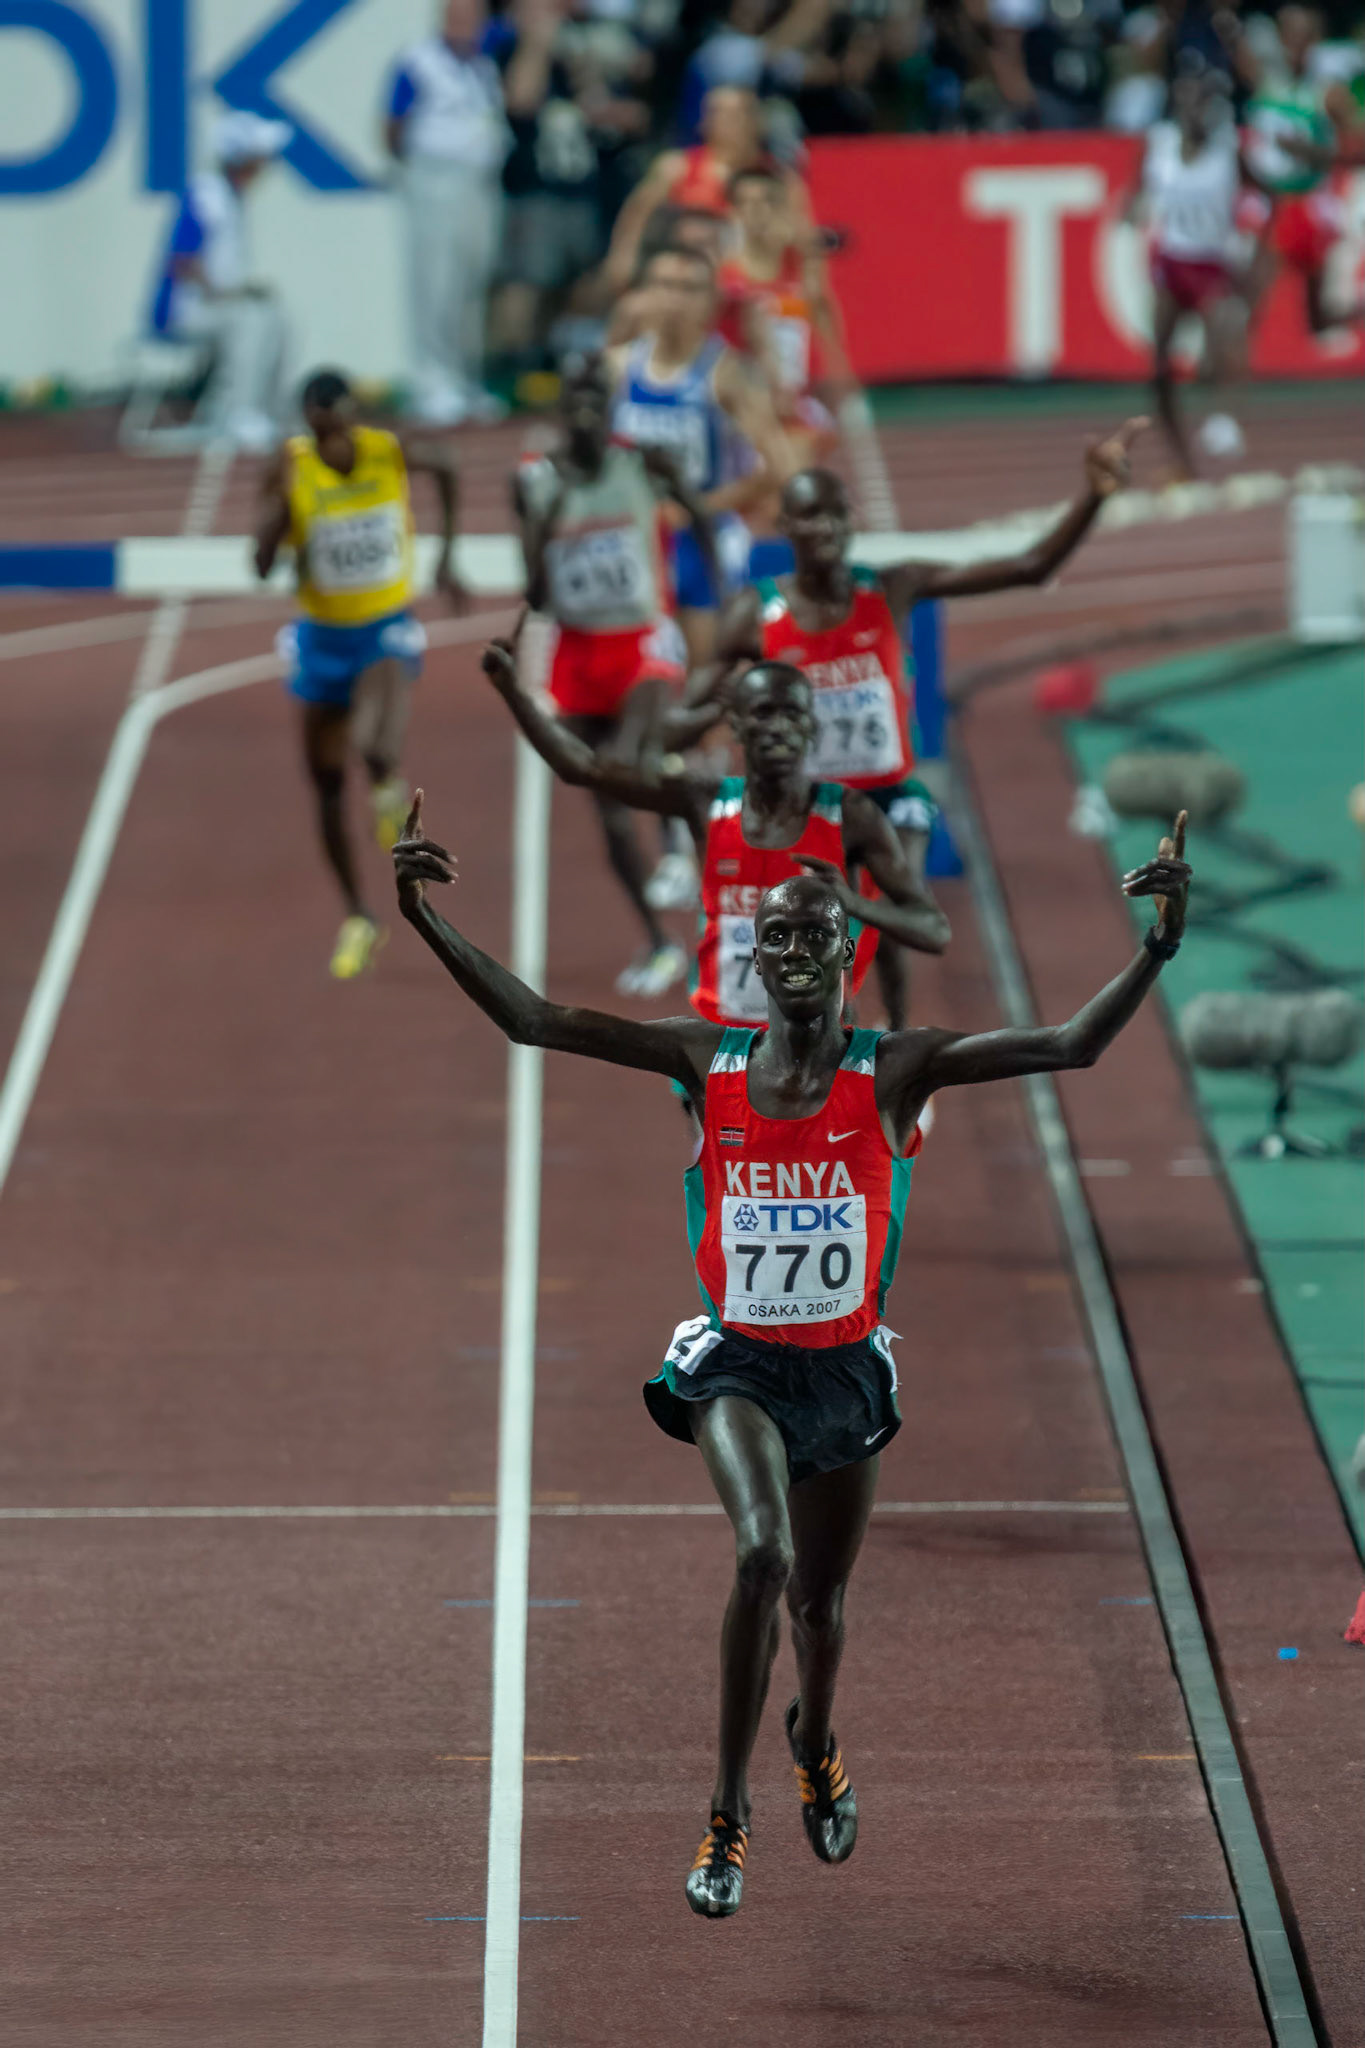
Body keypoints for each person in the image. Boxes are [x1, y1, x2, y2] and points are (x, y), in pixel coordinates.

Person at [392, 790, 1193, 1915]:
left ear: (850, 951)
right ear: (754, 956)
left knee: (818, 1605)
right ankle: (727, 1814)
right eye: (776, 935)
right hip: (738, 1366)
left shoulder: (895, 1067)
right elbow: (535, 1018)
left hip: (846, 1369)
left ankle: (814, 1739)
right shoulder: (701, 1057)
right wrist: (424, 918)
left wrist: (1159, 943)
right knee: (761, 1555)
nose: (797, 950)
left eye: (817, 933)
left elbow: (1071, 1043)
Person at [669, 424, 1145, 1027]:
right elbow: (690, 709)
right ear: (785, 528)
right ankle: (823, 1035)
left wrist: (1095, 495)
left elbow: (1029, 566)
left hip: (889, 797)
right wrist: (709, 714)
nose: (824, 530)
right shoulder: (755, 614)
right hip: (805, 807)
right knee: (804, 932)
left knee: (898, 909)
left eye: (835, 515)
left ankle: (891, 1040)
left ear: (851, 522)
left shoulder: (892, 589)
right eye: (807, 517)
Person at [481, 649, 952, 1026]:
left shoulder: (849, 817)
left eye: (792, 713)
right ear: (738, 727)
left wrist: (854, 904)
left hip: (820, 1049)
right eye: (763, 713)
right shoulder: (704, 802)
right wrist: (512, 691)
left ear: (811, 727)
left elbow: (932, 930)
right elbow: (580, 768)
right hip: (721, 1047)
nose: (778, 726)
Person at [514, 355, 715, 995]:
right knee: (609, 811)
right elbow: (537, 597)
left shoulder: (644, 463)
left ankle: (689, 848)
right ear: (559, 407)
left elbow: (703, 519)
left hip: (643, 642)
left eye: (594, 398)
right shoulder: (536, 483)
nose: (582, 410)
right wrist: (546, 525)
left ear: (610, 406)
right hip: (576, 654)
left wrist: (723, 606)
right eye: (572, 397)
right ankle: (659, 941)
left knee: (632, 762)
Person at [254, 370, 464, 980]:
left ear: (351, 418)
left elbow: (447, 462)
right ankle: (358, 917)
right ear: (308, 429)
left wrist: (447, 552)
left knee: (372, 743)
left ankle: (387, 787)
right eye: (322, 435)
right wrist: (278, 519)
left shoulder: (385, 451)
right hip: (321, 637)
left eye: (340, 429)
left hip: (383, 627)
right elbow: (262, 562)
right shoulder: (290, 467)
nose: (334, 444)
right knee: (323, 784)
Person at [609, 242, 796, 670]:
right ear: (646, 292)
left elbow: (778, 467)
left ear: (710, 300)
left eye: (689, 288)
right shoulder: (618, 367)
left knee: (706, 678)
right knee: (632, 675)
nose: (674, 298)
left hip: (702, 542)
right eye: (664, 284)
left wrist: (697, 508)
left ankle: (712, 738)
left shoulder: (727, 374)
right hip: (636, 539)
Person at [385, 0, 527, 425]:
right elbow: (392, 126)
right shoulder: (417, 61)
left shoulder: (481, 65)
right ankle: (431, 379)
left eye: (473, 17)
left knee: (472, 279)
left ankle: (465, 376)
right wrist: (422, 166)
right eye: (457, 16)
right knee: (436, 280)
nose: (465, 24)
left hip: (479, 183)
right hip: (436, 180)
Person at [150, 111, 292, 453]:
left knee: (276, 315)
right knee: (250, 321)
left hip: (214, 305)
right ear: (242, 157)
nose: (267, 164)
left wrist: (240, 292)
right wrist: (222, 293)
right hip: (183, 311)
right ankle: (237, 415)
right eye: (261, 155)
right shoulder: (206, 195)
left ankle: (265, 409)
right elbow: (182, 259)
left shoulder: (232, 198)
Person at [1130, 72, 1249, 478]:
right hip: (1172, 259)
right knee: (1159, 366)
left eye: (1201, 102)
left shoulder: (1226, 149)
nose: (1194, 110)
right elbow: (1138, 192)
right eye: (1187, 101)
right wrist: (1131, 214)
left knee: (1218, 353)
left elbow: (1258, 186)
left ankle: (1221, 421)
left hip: (1211, 262)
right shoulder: (1160, 146)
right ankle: (1178, 455)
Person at [602, 86, 813, 296]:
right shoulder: (677, 167)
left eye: (735, 113)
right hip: (692, 282)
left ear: (755, 121)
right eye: (716, 112)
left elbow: (803, 236)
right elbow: (638, 213)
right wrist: (623, 256)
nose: (725, 120)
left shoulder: (780, 179)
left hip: (756, 285)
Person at [717, 163, 857, 474]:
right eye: (746, 203)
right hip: (740, 411)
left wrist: (840, 374)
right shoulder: (722, 275)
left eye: (767, 201)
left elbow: (821, 314)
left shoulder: (799, 268)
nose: (757, 212)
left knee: (802, 473)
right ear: (732, 211)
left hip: (794, 403)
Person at [1236, 5, 1365, 336]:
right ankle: (1230, 376)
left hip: (1308, 205)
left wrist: (1314, 153)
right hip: (1269, 204)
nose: (1295, 43)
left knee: (1318, 318)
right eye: (1288, 34)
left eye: (1303, 36)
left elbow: (1357, 149)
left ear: (1315, 40)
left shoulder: (1326, 91)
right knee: (1248, 296)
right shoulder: (1267, 81)